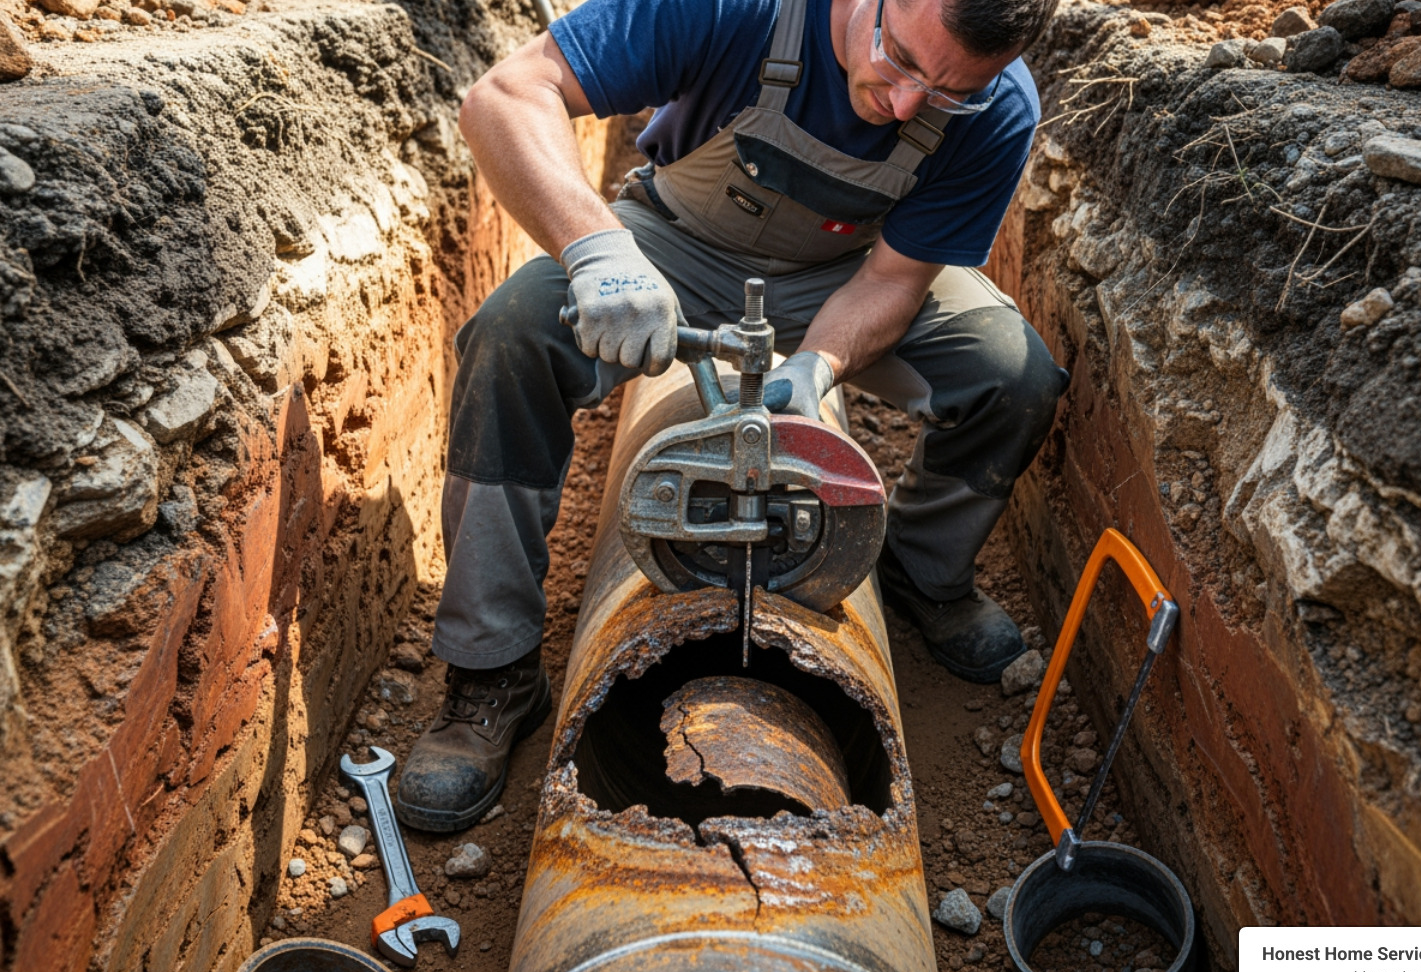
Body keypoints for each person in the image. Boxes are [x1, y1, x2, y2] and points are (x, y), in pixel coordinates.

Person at [394, 0, 1066, 831]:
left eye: (945, 95)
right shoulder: (735, 7)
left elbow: (895, 281)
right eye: (898, 61)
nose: (904, 105)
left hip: (851, 270)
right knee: (511, 337)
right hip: (674, 246)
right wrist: (597, 254)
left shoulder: (998, 105)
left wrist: (817, 367)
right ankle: (490, 673)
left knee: (1013, 374)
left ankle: (923, 576)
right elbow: (505, 94)